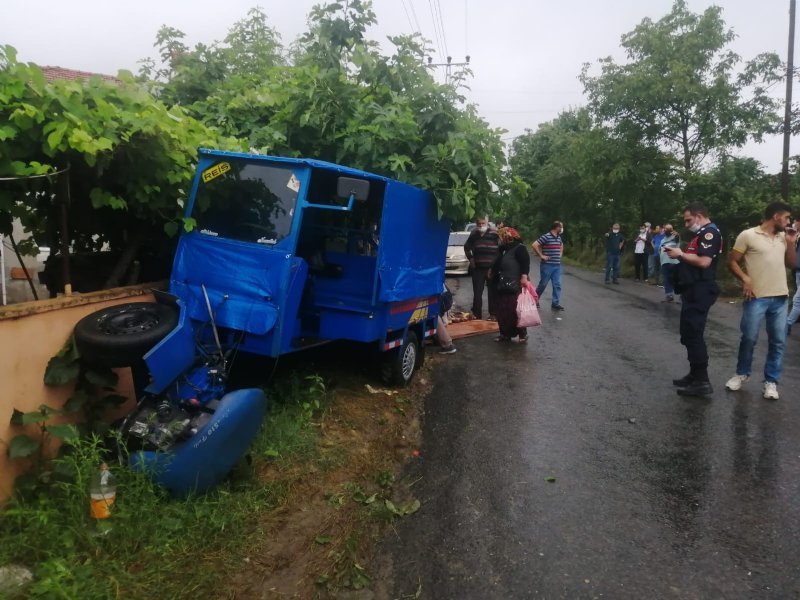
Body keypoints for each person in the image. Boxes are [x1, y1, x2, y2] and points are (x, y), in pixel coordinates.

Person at [725, 202, 797, 400]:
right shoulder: (748, 235)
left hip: (780, 297)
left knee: (778, 341)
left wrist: (791, 242)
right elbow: (732, 261)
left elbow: (791, 264)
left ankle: (771, 381)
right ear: (776, 216)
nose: (789, 221)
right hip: (756, 297)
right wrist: (745, 278)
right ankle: (741, 374)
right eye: (787, 217)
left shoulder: (785, 237)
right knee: (749, 337)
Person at [663, 202, 722, 397]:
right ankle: (694, 375)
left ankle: (702, 381)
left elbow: (704, 262)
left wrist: (680, 254)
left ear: (699, 215)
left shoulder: (709, 233)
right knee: (688, 332)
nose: (687, 224)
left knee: (694, 333)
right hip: (693, 289)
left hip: (701, 289)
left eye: (688, 220)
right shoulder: (700, 235)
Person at [491, 227, 531, 341]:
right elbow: (496, 262)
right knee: (502, 310)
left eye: (502, 236)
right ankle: (505, 334)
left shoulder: (520, 248)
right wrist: (492, 271)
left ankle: (522, 334)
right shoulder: (502, 249)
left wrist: (524, 276)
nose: (501, 239)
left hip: (514, 284)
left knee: (515, 309)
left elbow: (525, 264)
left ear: (508, 237)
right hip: (501, 283)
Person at [463, 217, 500, 320]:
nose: (481, 225)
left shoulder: (494, 233)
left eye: (483, 223)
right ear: (476, 224)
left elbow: (500, 250)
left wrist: (494, 267)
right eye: (479, 223)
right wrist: (471, 259)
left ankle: (493, 314)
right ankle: (476, 314)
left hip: (492, 268)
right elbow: (466, 247)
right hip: (478, 268)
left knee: (492, 292)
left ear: (487, 223)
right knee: (477, 292)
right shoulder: (474, 233)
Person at [532, 221, 565, 311]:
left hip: (557, 266)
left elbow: (561, 245)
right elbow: (535, 244)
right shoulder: (546, 236)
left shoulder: (559, 237)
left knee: (557, 284)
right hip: (547, 265)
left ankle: (555, 303)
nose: (562, 229)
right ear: (557, 227)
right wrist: (541, 255)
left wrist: (560, 254)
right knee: (543, 284)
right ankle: (534, 300)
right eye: (561, 227)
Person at [786, 215, 800, 336]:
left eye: (796, 221)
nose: (794, 223)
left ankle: (787, 324)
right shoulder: (796, 235)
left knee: (797, 300)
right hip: (798, 271)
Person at [659, 224, 680, 302]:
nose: (666, 230)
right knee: (666, 278)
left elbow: (677, 237)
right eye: (665, 229)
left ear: (672, 230)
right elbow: (660, 250)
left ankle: (683, 294)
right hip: (664, 262)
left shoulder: (675, 237)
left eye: (669, 229)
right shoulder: (662, 240)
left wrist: (676, 233)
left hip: (674, 261)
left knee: (676, 279)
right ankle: (669, 295)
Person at [437, 282, 457, 354]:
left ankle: (447, 345)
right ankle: (442, 340)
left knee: (435, 316)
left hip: (442, 298)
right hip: (444, 296)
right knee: (439, 318)